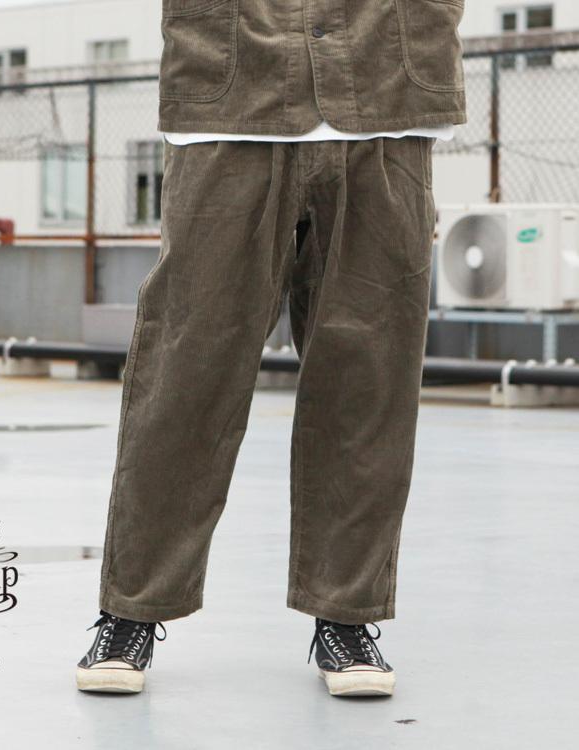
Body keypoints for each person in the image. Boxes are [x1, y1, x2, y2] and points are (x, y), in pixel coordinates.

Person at [77, 0, 467, 697]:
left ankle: (346, 613)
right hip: (230, 93)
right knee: (185, 373)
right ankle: (132, 606)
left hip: (386, 86)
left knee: (369, 378)